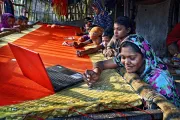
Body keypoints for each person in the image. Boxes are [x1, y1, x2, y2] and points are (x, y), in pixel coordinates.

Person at [84, 34, 180, 107]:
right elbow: (101, 64)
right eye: (123, 57)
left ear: (144, 56)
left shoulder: (160, 81)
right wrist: (96, 72)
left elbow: (169, 110)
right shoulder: (128, 60)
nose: (126, 62)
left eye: (132, 58)